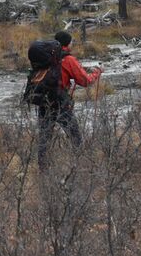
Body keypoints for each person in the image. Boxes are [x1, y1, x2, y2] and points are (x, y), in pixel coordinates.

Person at [37, 31, 102, 169]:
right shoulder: (68, 59)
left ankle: (43, 171)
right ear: (68, 43)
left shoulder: (46, 56)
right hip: (60, 103)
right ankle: (79, 167)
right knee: (75, 136)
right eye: (72, 41)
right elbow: (85, 81)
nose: (73, 44)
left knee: (44, 138)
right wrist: (97, 72)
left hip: (43, 101)